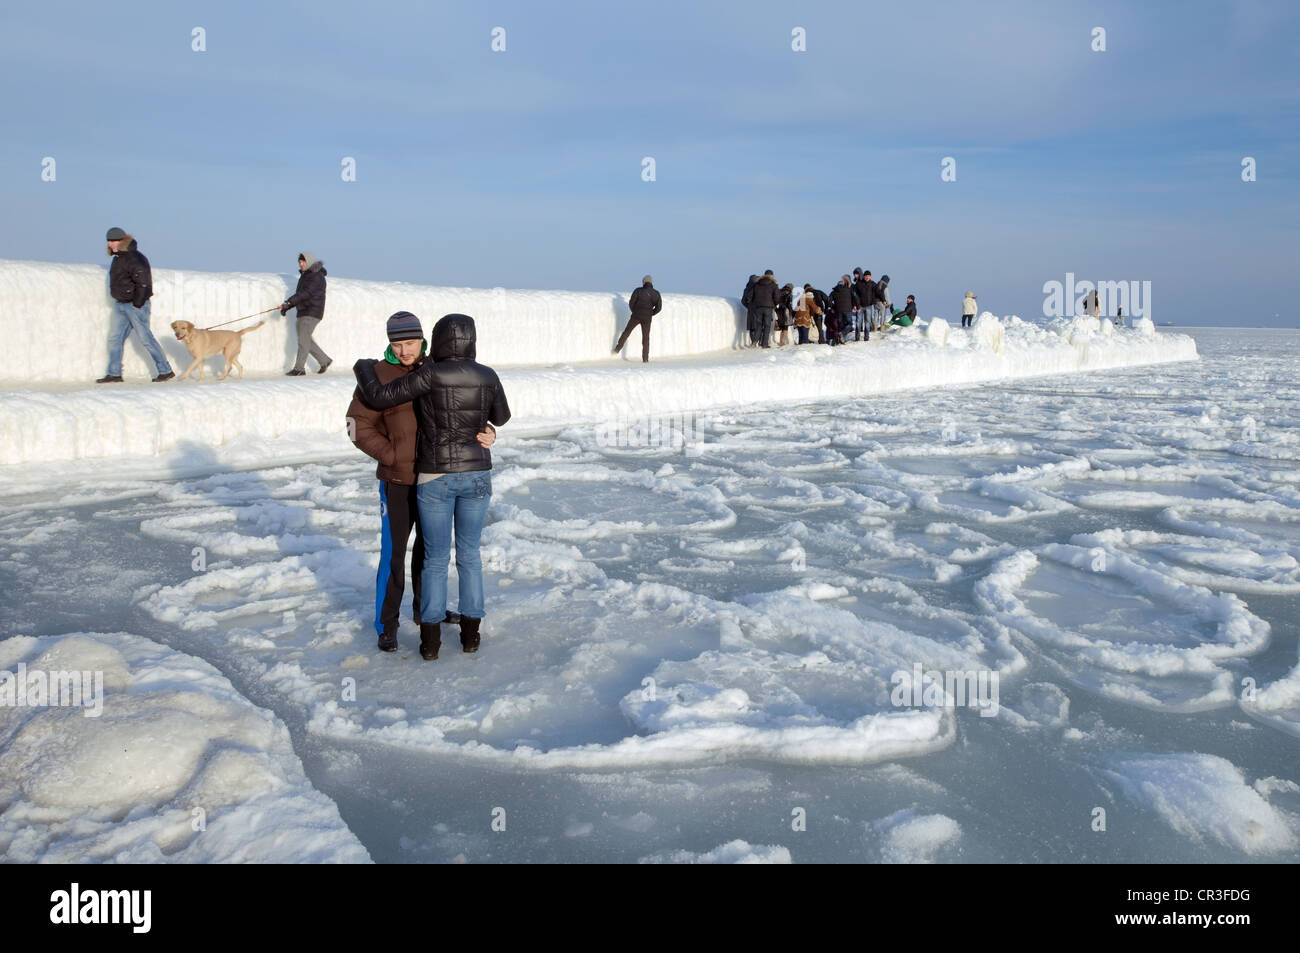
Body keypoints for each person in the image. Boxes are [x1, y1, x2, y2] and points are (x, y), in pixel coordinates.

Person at [353, 313, 511, 660]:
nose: (405, 350)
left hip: (431, 478)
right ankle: (387, 625)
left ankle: (428, 617)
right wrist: (390, 454)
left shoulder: (432, 369)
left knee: (431, 555)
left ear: (426, 342)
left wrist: (491, 431)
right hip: (399, 478)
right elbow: (357, 425)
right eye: (397, 343)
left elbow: (474, 413)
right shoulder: (378, 375)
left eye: (411, 343)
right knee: (395, 555)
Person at [97, 227, 174, 383]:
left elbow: (144, 283)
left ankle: (165, 370)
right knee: (115, 339)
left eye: (114, 241)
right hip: (121, 305)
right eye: (109, 241)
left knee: (146, 338)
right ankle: (114, 374)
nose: (111, 244)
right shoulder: (118, 257)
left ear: (122, 240)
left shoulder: (134, 258)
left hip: (135, 305)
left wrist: (137, 304)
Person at [281, 252, 333, 376]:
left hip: (311, 312)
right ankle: (324, 360)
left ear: (309, 261)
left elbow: (306, 293)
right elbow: (301, 295)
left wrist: (289, 302)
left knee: (303, 340)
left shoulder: (316, 276)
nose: (301, 264)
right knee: (305, 339)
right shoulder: (306, 276)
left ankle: (299, 368)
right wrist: (288, 306)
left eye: (303, 261)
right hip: (305, 311)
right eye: (299, 262)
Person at [613, 275, 662, 362]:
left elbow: (631, 303)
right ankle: (645, 359)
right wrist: (651, 313)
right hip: (647, 318)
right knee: (646, 338)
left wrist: (634, 311)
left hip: (636, 316)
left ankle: (617, 350)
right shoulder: (656, 293)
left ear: (644, 282)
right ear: (651, 283)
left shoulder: (638, 291)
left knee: (626, 332)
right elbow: (659, 308)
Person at [750, 270, 780, 348]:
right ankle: (764, 344)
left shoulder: (757, 284)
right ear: (772, 276)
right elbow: (777, 297)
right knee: (767, 326)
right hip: (768, 308)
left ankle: (754, 341)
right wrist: (775, 304)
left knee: (759, 325)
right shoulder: (774, 285)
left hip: (758, 307)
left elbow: (752, 295)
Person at [828, 275, 858, 345]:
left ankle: (840, 339)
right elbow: (855, 297)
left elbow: (829, 301)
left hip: (838, 310)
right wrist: (856, 305)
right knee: (849, 324)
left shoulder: (833, 292)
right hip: (848, 309)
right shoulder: (849, 289)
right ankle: (842, 335)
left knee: (840, 326)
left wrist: (833, 307)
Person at [741, 275, 759, 346]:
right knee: (759, 326)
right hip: (758, 308)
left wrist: (748, 306)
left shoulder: (747, 288)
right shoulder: (759, 287)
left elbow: (743, 301)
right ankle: (757, 341)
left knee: (752, 327)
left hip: (751, 309)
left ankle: (753, 342)